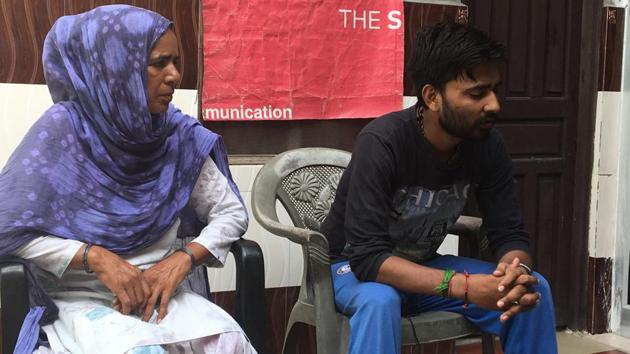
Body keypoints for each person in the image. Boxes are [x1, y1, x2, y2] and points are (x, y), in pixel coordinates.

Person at [0, 5, 255, 354]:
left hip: (161, 294)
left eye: (177, 62)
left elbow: (230, 213)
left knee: (227, 344)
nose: (174, 76)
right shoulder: (62, 132)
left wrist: (181, 261)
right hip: (80, 299)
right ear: (116, 68)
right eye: (159, 63)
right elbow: (7, 229)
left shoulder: (178, 135)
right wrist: (95, 258)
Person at [320, 22, 558, 354]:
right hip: (350, 270)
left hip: (423, 269)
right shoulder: (382, 143)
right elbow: (369, 259)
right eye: (477, 93)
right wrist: (464, 287)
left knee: (535, 291)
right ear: (432, 96)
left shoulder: (487, 145)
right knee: (380, 301)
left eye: (494, 90)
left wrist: (514, 271)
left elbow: (509, 232)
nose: (494, 105)